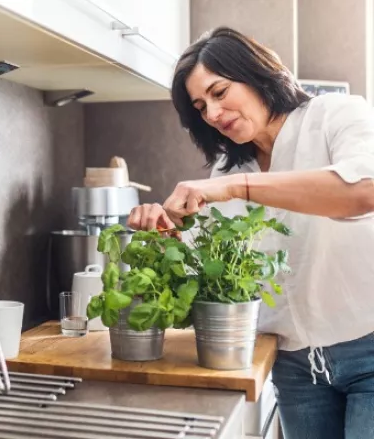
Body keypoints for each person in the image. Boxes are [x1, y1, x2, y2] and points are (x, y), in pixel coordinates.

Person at [126, 27, 374, 439]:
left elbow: (364, 191)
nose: (213, 114)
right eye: (201, 107)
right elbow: (201, 268)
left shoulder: (337, 114)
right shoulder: (228, 169)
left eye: (220, 92)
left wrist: (237, 189)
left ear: (257, 73)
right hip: (294, 369)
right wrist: (163, 230)